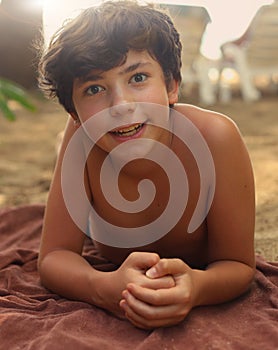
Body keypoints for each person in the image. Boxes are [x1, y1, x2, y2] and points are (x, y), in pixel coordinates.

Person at [37, 0, 255, 330]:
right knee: (69, 150)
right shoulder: (81, 140)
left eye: (138, 77)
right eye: (94, 88)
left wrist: (197, 288)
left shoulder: (216, 138)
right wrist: (104, 287)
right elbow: (53, 257)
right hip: (86, 149)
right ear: (74, 114)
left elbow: (237, 264)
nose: (121, 105)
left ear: (172, 86)